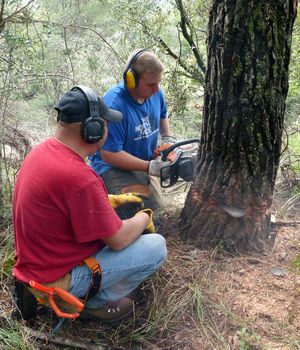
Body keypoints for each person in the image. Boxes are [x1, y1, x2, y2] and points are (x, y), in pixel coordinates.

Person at [12, 85, 167, 323]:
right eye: (105, 123)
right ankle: (94, 302)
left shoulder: (42, 152)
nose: (107, 128)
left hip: (38, 267)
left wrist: (105, 202)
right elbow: (118, 240)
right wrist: (143, 217)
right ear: (91, 130)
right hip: (58, 280)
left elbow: (63, 204)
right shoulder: (80, 177)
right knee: (156, 246)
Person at [89, 49, 176, 212]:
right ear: (132, 80)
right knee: (143, 209)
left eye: (159, 83)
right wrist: (150, 167)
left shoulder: (156, 93)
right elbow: (109, 154)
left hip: (143, 163)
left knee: (160, 210)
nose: (157, 88)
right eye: (151, 84)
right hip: (113, 168)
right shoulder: (114, 105)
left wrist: (167, 139)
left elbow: (163, 114)